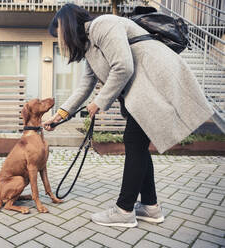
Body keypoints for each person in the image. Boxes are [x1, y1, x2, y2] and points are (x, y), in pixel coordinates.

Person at [43, 4, 214, 228]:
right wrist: (61, 115)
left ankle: (124, 210)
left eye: (59, 35)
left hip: (155, 81)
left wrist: (99, 102)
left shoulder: (103, 25)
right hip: (144, 88)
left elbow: (123, 67)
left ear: (66, 27)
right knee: (137, 145)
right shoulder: (90, 47)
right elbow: (85, 85)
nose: (61, 42)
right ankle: (150, 207)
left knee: (134, 142)